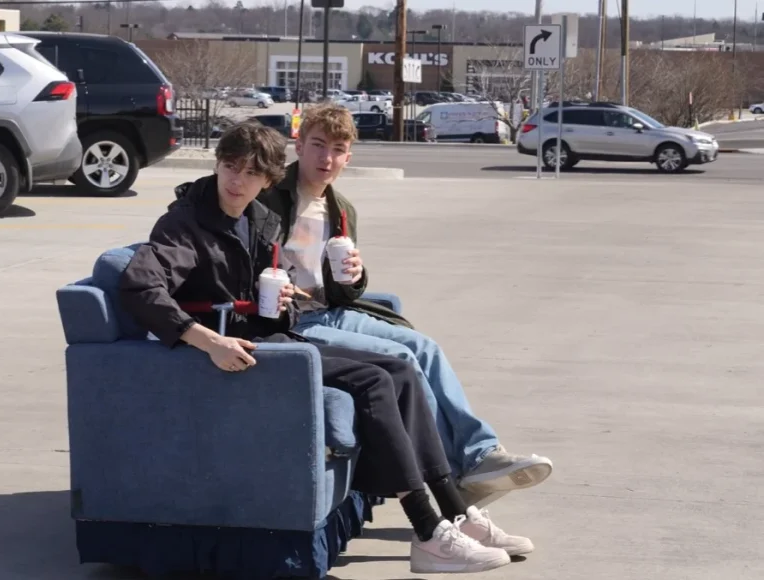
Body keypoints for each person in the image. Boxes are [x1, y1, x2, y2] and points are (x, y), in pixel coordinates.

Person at [117, 120, 533, 574]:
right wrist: (207, 341)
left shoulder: (259, 220)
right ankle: (429, 531)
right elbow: (140, 287)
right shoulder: (186, 223)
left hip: (268, 340)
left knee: (402, 369)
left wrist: (285, 302)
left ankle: (456, 513)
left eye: (251, 173)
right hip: (224, 354)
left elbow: (266, 303)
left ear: (268, 181)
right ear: (217, 165)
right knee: (374, 381)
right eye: (230, 167)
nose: (238, 181)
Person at [257, 104, 553, 507]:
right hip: (295, 322)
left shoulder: (342, 210)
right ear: (299, 146)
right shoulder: (270, 200)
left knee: (425, 347)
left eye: (337, 149)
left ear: (348, 157)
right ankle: (451, 474)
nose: (326, 158)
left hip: (332, 311)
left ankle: (482, 453)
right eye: (317, 145)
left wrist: (355, 276)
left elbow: (346, 292)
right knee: (400, 357)